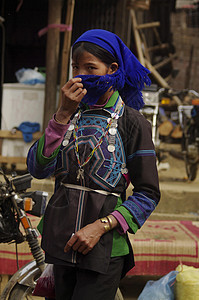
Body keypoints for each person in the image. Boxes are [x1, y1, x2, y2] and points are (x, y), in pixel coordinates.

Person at [27, 29, 160, 300]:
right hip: (60, 244)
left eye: (91, 67)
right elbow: (37, 168)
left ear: (112, 69)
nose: (81, 74)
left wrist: (100, 226)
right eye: (76, 67)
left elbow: (148, 194)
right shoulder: (69, 115)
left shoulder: (132, 122)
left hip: (104, 248)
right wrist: (62, 114)